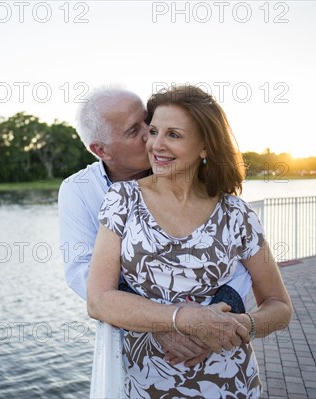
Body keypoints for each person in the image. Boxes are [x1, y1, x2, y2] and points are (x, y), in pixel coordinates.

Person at [86, 85, 293, 398]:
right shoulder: (123, 199)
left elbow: (279, 307)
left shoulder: (237, 213)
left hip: (230, 384)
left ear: (205, 146)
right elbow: (99, 300)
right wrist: (182, 319)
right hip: (147, 386)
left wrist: (238, 327)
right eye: (153, 131)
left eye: (174, 135)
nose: (155, 144)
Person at [58, 87, 251, 366]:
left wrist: (211, 324)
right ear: (101, 150)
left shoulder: (185, 169)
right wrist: (161, 322)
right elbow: (82, 272)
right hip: (147, 353)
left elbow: (240, 259)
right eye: (134, 130)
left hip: (218, 341)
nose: (152, 133)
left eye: (148, 119)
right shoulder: (79, 190)